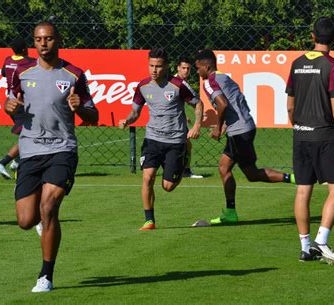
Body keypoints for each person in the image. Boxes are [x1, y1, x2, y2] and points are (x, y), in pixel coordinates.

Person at [4, 21, 99, 292]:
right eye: (37, 39)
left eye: (48, 39)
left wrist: (80, 108)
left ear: (58, 40)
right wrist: (9, 106)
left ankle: (46, 275)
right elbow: (11, 102)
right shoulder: (21, 73)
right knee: (25, 220)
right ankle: (42, 225)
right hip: (30, 151)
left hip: (62, 150)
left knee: (49, 208)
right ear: (33, 43)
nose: (43, 44)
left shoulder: (74, 74)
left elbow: (94, 116)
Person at [195, 49, 295, 226]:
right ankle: (231, 211)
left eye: (198, 68)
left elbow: (223, 104)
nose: (197, 72)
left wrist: (218, 128)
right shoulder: (225, 78)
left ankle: (296, 178)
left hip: (240, 132)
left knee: (252, 174)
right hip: (244, 127)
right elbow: (236, 103)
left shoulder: (209, 82)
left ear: (206, 66)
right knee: (224, 167)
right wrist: (226, 125)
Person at [285, 17, 334, 265]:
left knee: (303, 190)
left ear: (312, 36)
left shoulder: (296, 63)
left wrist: (299, 127)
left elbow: (290, 106)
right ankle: (321, 242)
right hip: (324, 136)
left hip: (300, 135)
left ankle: (305, 247)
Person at [119, 48, 203, 231]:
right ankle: (149, 220)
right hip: (152, 139)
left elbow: (198, 103)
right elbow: (135, 111)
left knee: (168, 186)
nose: (154, 70)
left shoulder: (178, 85)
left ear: (166, 66)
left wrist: (196, 126)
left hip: (175, 141)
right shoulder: (142, 87)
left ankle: (184, 161)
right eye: (151, 66)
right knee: (147, 177)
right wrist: (128, 119)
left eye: (158, 66)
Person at [0, 37, 34, 179]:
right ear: (24, 49)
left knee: (30, 134)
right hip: (20, 103)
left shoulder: (8, 60)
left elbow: (3, 73)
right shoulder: (28, 62)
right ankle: (3, 162)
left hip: (9, 101)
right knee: (29, 136)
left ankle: (17, 162)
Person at [175, 55, 203, 179]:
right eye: (183, 68)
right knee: (182, 145)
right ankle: (183, 171)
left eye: (188, 68)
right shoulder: (178, 83)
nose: (186, 71)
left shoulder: (183, 83)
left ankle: (183, 171)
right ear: (178, 68)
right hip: (173, 122)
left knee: (186, 144)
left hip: (177, 120)